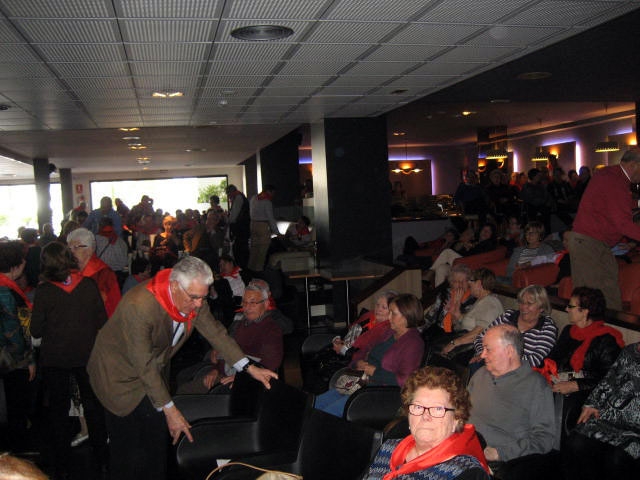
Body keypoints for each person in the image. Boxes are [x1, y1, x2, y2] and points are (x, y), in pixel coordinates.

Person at [86, 256, 277, 480]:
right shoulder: (139, 306)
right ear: (175, 286)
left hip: (151, 370)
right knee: (128, 452)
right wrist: (171, 410)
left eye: (203, 297)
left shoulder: (192, 293)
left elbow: (215, 332)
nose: (199, 304)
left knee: (155, 446)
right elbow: (143, 365)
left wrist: (248, 367)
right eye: (194, 298)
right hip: (118, 377)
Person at [31, 241, 109, 480]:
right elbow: (102, 321)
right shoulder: (87, 285)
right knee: (93, 406)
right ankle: (102, 457)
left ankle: (61, 463)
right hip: (86, 354)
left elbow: (36, 329)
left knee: (58, 409)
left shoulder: (44, 291)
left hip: (55, 357)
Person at [364, 366, 489, 480]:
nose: (425, 416)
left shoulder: (466, 472)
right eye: (418, 407)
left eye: (438, 409)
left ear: (456, 419)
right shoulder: (389, 449)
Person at [314, 293, 424, 417]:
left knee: (325, 413)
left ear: (406, 317)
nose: (389, 317)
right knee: (314, 405)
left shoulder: (413, 343)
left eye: (393, 313)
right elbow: (366, 348)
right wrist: (358, 362)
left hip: (379, 393)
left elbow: (405, 380)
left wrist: (373, 371)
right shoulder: (390, 332)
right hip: (360, 382)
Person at [468, 324, 556, 479]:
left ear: (509, 351)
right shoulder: (481, 375)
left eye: (488, 349)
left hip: (497, 461)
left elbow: (544, 439)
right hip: (463, 445)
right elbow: (461, 409)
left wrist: (500, 452)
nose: (482, 355)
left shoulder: (535, 386)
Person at [178, 282, 284, 394]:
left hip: (244, 378)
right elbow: (227, 349)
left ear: (266, 304)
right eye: (244, 302)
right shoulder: (240, 323)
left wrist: (242, 377)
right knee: (183, 380)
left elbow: (271, 363)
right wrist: (215, 369)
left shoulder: (271, 329)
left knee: (184, 393)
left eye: (253, 303)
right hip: (225, 371)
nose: (247, 307)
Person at [568, 147, 640, 311]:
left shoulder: (613, 177)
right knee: (589, 297)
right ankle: (591, 334)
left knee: (609, 289)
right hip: (588, 242)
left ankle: (610, 329)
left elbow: (615, 205)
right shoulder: (614, 180)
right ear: (635, 164)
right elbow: (623, 224)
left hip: (595, 242)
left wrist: (638, 204)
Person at [563, 342, 640, 480]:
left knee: (616, 458)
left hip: (635, 429)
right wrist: (592, 403)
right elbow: (610, 379)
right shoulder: (631, 350)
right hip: (609, 417)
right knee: (576, 442)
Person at [302, 290, 397, 394]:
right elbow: (349, 330)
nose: (378, 309)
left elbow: (364, 354)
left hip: (351, 361)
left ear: (392, 312)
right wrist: (338, 339)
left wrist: (343, 350)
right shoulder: (370, 316)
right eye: (377, 305)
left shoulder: (386, 330)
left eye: (384, 307)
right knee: (315, 361)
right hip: (343, 351)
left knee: (320, 369)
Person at [0, 241, 35, 452]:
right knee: (16, 406)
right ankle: (16, 452)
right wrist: (29, 360)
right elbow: (16, 330)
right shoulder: (7, 290)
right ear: (16, 265)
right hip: (11, 360)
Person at [472, 284, 557, 368]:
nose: (524, 307)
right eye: (521, 302)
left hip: (519, 373)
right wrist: (481, 352)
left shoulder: (547, 328)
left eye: (529, 303)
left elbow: (535, 360)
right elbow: (481, 338)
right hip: (490, 361)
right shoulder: (508, 316)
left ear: (541, 307)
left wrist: (499, 359)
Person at [439, 268, 504, 363]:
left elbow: (480, 332)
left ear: (478, 283)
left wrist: (454, 343)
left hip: (476, 349)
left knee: (438, 352)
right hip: (467, 343)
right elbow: (462, 324)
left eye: (471, 281)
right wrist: (456, 308)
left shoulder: (490, 303)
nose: (469, 283)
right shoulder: (480, 301)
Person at [67, 227, 121, 317]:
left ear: (89, 250)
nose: (71, 252)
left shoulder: (103, 273)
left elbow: (112, 305)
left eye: (75, 248)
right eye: (69, 249)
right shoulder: (70, 271)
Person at [428, 223, 498, 287]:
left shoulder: (488, 244)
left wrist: (469, 249)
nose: (485, 232)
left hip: (471, 266)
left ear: (491, 234)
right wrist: (465, 246)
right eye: (484, 230)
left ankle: (428, 274)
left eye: (488, 231)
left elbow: (477, 256)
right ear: (480, 232)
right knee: (441, 268)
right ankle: (440, 296)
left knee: (447, 252)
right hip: (463, 263)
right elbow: (460, 252)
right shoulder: (474, 242)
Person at [248, 184, 280, 272]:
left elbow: (250, 212)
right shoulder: (267, 202)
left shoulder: (254, 198)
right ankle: (259, 272)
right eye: (273, 193)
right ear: (269, 191)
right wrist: (277, 232)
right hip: (263, 226)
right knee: (262, 251)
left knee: (254, 250)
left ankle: (250, 271)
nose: (273, 195)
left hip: (253, 224)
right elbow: (270, 218)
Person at [94, 216, 130, 288]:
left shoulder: (95, 240)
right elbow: (125, 262)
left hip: (103, 277)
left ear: (99, 226)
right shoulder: (121, 241)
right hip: (119, 277)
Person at [226, 184, 250, 269]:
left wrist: (227, 220)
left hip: (241, 228)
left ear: (231, 191)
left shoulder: (238, 198)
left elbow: (233, 216)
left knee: (240, 250)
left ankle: (242, 268)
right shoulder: (240, 197)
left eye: (228, 193)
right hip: (243, 228)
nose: (228, 196)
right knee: (241, 249)